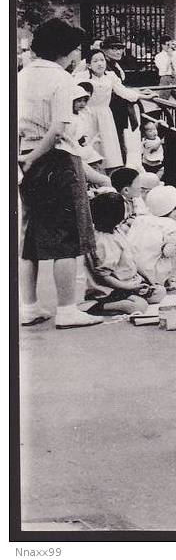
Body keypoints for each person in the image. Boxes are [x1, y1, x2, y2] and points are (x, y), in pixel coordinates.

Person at [18, 18, 104, 329]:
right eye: (77, 49)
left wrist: (23, 160)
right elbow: (58, 129)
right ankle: (67, 309)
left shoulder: (21, 76)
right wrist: (35, 159)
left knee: (29, 237)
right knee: (65, 236)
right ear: (66, 51)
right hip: (56, 161)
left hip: (22, 158)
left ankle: (28, 306)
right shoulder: (63, 82)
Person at [85, 192, 165, 315]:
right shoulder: (103, 241)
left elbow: (131, 259)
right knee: (140, 306)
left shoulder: (116, 230)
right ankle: (104, 306)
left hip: (130, 281)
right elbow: (104, 276)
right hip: (112, 288)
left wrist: (147, 278)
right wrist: (130, 287)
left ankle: (131, 298)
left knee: (160, 291)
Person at [75, 49, 147, 172]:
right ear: (88, 64)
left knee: (108, 149)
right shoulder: (81, 77)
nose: (100, 64)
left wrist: (144, 96)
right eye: (95, 61)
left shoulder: (111, 76)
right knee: (89, 146)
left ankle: (107, 175)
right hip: (87, 115)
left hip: (105, 116)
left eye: (102, 60)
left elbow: (124, 92)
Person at [127, 184, 176, 287]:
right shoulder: (172, 225)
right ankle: (167, 280)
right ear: (174, 209)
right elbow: (168, 252)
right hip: (152, 273)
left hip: (131, 270)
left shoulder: (140, 219)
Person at [101, 36, 140, 165]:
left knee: (119, 140)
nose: (118, 52)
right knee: (113, 142)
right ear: (104, 49)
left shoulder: (115, 65)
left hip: (119, 108)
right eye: (114, 48)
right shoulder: (103, 66)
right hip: (109, 107)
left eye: (120, 49)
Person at [154, 36, 176, 103]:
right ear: (162, 45)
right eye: (167, 45)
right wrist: (169, 57)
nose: (169, 46)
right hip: (165, 78)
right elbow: (163, 69)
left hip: (175, 78)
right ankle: (163, 113)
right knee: (162, 102)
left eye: (171, 44)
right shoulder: (159, 56)